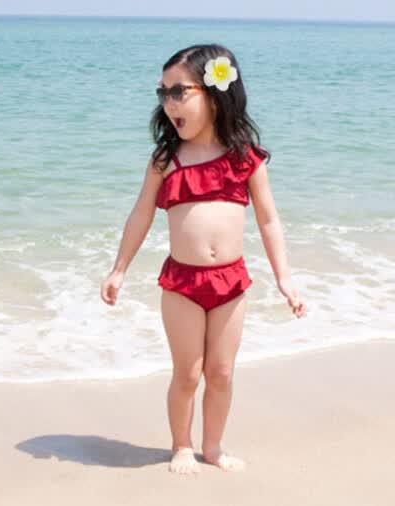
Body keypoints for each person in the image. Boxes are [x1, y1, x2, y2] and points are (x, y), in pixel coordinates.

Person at [101, 43, 306, 475]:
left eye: (180, 91)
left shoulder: (245, 158)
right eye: (164, 93)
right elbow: (141, 214)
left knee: (222, 372)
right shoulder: (166, 160)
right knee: (188, 373)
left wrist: (284, 278)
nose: (170, 103)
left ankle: (212, 448)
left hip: (231, 282)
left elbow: (269, 222)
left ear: (216, 93)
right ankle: (180, 445)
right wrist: (119, 268)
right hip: (183, 283)